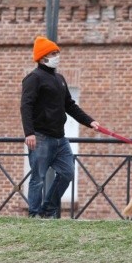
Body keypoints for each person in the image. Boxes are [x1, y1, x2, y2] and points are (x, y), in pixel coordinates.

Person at [21, 36, 101, 218]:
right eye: (53, 53)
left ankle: (47, 210)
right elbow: (26, 106)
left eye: (57, 52)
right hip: (40, 137)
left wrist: (89, 121)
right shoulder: (33, 79)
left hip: (60, 138)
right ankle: (34, 215)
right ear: (42, 57)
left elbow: (70, 105)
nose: (57, 56)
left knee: (67, 173)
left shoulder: (59, 79)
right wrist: (29, 133)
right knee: (38, 178)